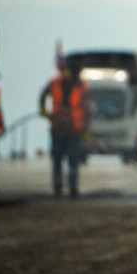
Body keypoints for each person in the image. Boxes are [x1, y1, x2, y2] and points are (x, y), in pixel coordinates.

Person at [39, 62, 90, 198]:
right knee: (57, 160)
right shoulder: (55, 83)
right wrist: (43, 111)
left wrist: (85, 129)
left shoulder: (81, 85)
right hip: (58, 128)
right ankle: (58, 188)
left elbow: (87, 108)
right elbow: (43, 95)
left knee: (73, 161)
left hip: (74, 130)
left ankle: (73, 188)